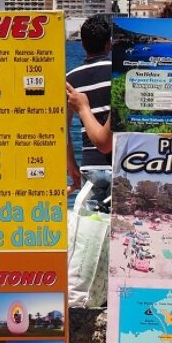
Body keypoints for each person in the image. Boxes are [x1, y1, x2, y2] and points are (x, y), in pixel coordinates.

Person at [65, 15, 113, 210]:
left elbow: (63, 129)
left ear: (83, 45)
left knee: (91, 232)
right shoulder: (117, 73)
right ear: (109, 44)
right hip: (117, 163)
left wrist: (71, 167)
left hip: (90, 164)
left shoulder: (70, 79)